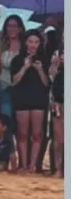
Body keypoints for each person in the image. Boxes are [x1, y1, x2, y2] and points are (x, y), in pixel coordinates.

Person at [10, 30, 50, 172]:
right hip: (22, 99)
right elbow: (14, 81)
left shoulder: (44, 60)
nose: (33, 45)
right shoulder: (17, 59)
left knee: (37, 134)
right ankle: (23, 164)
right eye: (30, 41)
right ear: (25, 43)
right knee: (22, 134)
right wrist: (25, 67)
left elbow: (47, 83)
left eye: (36, 42)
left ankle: (33, 165)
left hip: (38, 100)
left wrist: (39, 70)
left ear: (40, 44)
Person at [0, 15, 25, 126]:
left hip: (22, 88)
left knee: (21, 124)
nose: (12, 29)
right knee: (6, 120)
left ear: (20, 28)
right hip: (5, 87)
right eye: (9, 26)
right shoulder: (1, 44)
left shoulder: (25, 44)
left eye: (15, 26)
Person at [49, 42, 63, 177]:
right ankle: (59, 168)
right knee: (58, 137)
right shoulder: (57, 53)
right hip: (58, 98)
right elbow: (51, 77)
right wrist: (55, 65)